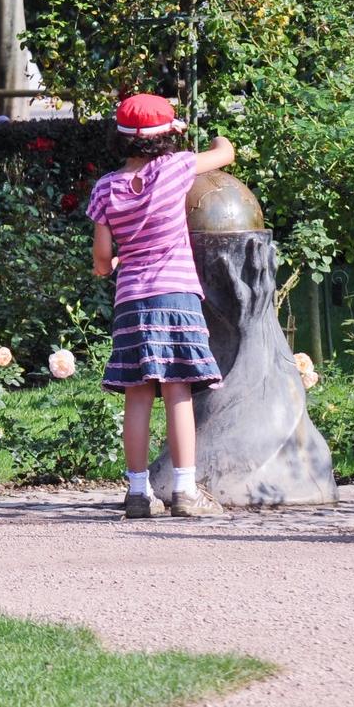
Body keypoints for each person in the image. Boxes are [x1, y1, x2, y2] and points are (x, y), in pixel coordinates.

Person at [85, 94, 235, 518]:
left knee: (136, 396)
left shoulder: (105, 189)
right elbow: (225, 153)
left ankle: (136, 493)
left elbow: (101, 259)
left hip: (132, 300)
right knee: (177, 392)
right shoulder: (175, 168)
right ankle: (186, 492)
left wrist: (112, 262)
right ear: (168, 137)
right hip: (176, 297)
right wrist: (215, 136)